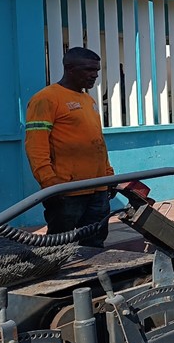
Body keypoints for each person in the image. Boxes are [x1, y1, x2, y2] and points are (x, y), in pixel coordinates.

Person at [25, 47, 114, 247]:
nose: (94, 75)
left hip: (97, 188)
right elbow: (35, 145)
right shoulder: (46, 98)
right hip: (67, 191)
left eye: (97, 71)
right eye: (89, 70)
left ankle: (95, 277)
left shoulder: (89, 100)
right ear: (70, 69)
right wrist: (50, 183)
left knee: (95, 242)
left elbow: (97, 141)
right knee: (60, 244)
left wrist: (109, 175)